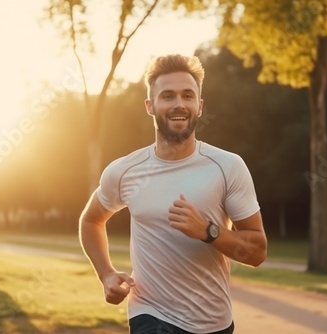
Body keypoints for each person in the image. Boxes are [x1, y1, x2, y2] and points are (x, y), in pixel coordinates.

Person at [79, 54, 267, 334]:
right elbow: (91, 220)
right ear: (150, 106)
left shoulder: (228, 167)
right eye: (167, 96)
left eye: (187, 96)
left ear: (199, 106)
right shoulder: (125, 171)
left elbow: (257, 252)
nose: (179, 104)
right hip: (151, 316)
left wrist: (208, 230)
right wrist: (105, 274)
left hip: (214, 322)